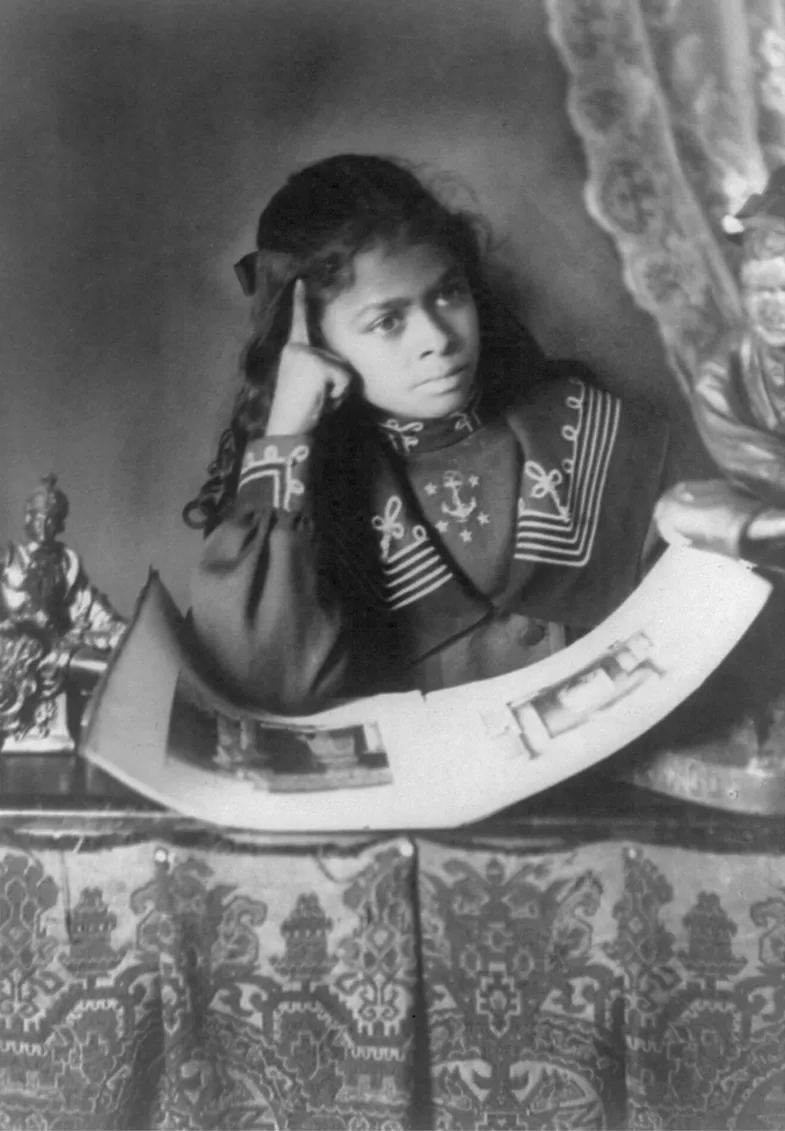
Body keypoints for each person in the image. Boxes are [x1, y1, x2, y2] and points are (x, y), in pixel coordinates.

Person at [185, 154, 667, 713]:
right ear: (315, 341)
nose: (437, 338)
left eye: (448, 294)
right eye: (387, 321)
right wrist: (287, 428)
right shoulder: (309, 493)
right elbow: (263, 686)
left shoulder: (581, 427)